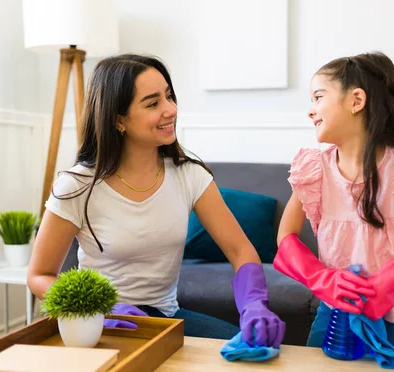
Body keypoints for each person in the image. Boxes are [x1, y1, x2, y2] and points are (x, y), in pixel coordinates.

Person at [27, 54, 285, 348]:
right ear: (117, 119)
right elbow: (39, 275)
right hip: (98, 324)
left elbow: (240, 250)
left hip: (163, 318)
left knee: (255, 353)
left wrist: (254, 304)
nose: (171, 110)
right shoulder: (77, 184)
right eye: (153, 103)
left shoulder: (190, 175)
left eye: (169, 96)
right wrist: (102, 311)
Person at [273, 52, 394, 354]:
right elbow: (285, 237)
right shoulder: (314, 170)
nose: (310, 111)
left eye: (318, 97)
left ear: (356, 101)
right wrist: (322, 279)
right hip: (336, 306)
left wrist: (385, 288)